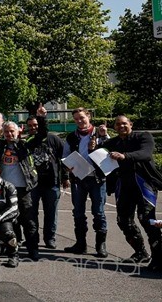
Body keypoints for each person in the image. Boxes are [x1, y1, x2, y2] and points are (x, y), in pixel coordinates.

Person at [98, 115, 162, 267]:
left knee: (147, 220)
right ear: (114, 127)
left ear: (131, 124)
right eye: (118, 124)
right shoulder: (112, 142)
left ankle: (159, 257)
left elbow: (145, 154)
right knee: (123, 220)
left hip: (144, 183)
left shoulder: (143, 136)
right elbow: (98, 155)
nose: (121, 126)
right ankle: (140, 252)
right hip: (124, 185)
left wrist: (124, 156)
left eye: (124, 124)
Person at [62, 107, 109, 257]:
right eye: (76, 119)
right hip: (79, 178)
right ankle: (80, 244)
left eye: (82, 117)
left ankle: (100, 245)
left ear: (88, 116)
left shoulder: (99, 133)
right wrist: (68, 166)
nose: (79, 121)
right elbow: (65, 156)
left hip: (97, 179)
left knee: (99, 212)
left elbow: (110, 149)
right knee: (78, 212)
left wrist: (104, 136)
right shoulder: (72, 136)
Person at [0, 121, 40, 260]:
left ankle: (33, 249)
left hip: (24, 188)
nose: (9, 134)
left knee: (29, 220)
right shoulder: (0, 145)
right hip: (5, 189)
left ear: (18, 131)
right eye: (6, 131)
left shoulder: (24, 144)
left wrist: (41, 118)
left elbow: (40, 136)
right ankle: (12, 247)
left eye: (12, 131)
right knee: (8, 219)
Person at [24, 110, 63, 250]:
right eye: (30, 125)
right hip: (33, 184)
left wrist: (65, 178)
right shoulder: (27, 141)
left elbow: (63, 159)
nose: (33, 128)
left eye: (35, 125)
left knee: (51, 213)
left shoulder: (53, 139)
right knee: (31, 213)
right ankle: (32, 238)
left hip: (52, 183)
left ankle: (50, 239)